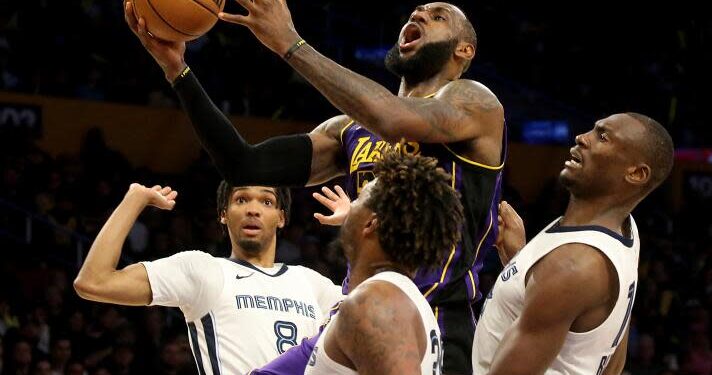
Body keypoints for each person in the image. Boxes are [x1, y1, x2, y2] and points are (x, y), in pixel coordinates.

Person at [124, 2, 508, 373]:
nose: (419, 14)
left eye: (437, 16)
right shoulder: (349, 129)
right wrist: (178, 72)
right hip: (354, 315)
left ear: (464, 50)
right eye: (416, 12)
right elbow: (245, 164)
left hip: (436, 322)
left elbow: (393, 119)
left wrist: (290, 43)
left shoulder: (475, 102)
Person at [472, 113, 675, 375]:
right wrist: (520, 259)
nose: (582, 138)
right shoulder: (625, 231)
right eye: (592, 129)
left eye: (602, 137)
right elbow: (610, 357)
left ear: (635, 173)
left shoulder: (573, 265)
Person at [73, 181, 343, 374]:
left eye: (267, 201)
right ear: (223, 215)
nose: (253, 209)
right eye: (241, 199)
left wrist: (356, 223)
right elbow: (93, 281)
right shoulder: (202, 270)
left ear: (281, 218)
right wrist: (134, 199)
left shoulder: (313, 283)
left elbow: (377, 306)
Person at [304, 151, 464, 374]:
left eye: (358, 200)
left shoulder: (376, 303)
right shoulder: (401, 299)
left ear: (371, 224)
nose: (349, 207)